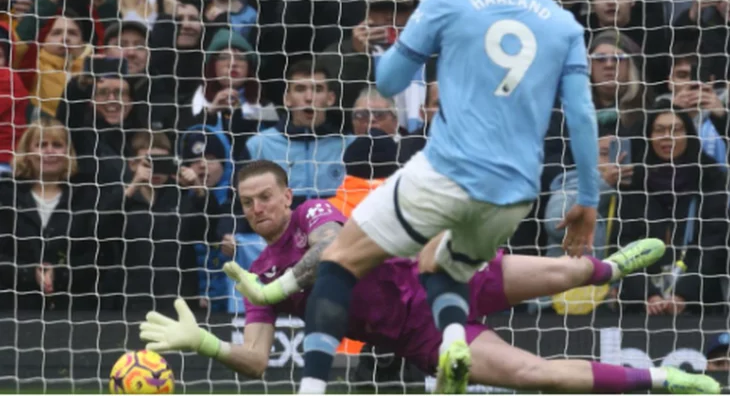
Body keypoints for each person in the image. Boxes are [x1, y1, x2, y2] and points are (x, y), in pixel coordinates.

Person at [138, 160, 720, 394]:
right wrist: (208, 344)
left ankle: (611, 265)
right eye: (247, 203)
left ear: (288, 194)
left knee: (564, 272)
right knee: (532, 373)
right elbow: (258, 359)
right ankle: (665, 380)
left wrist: (281, 286)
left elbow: (325, 250)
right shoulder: (258, 270)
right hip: (419, 338)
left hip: (441, 272)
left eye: (266, 196)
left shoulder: (316, 213)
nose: (257, 208)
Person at [299, 0, 601, 392]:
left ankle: (310, 388)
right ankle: (455, 340)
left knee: (338, 263)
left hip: (447, 170)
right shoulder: (563, 23)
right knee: (444, 263)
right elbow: (582, 115)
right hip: (514, 194)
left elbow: (387, 82)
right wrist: (587, 200)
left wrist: (399, 43)